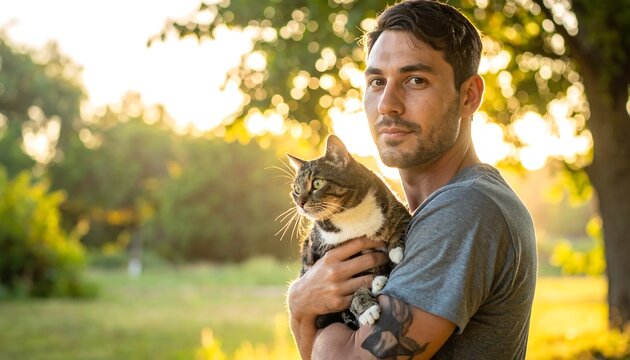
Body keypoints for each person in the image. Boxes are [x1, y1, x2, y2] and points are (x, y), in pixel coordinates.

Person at [286, 0, 538, 359]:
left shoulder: (464, 209)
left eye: (415, 80)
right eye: (376, 81)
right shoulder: (420, 216)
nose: (388, 103)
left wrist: (301, 308)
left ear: (469, 96)